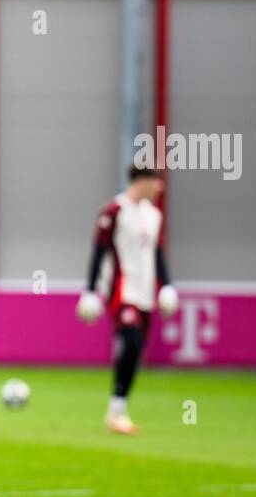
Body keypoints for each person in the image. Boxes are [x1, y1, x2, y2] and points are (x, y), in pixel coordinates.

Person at [76, 164, 179, 435]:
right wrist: (89, 290)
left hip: (145, 293)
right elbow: (98, 251)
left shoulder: (154, 215)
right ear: (142, 181)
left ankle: (118, 410)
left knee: (136, 351)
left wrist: (166, 286)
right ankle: (116, 411)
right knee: (131, 341)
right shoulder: (114, 211)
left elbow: (157, 253)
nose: (160, 187)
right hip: (122, 291)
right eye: (156, 181)